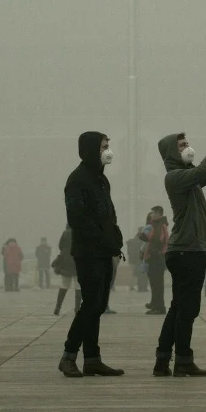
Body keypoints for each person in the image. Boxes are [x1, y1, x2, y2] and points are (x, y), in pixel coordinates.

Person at [153, 127, 206, 377]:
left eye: (187, 143)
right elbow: (205, 169)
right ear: (171, 153)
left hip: (187, 251)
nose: (187, 147)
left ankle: (163, 360)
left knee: (178, 307)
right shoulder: (176, 177)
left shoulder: (189, 177)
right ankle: (184, 361)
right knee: (188, 309)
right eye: (181, 145)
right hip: (187, 252)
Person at [58, 131, 124, 378]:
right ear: (89, 150)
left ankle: (93, 359)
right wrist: (102, 239)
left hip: (105, 251)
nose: (108, 151)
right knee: (91, 305)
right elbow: (77, 219)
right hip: (88, 253)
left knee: (98, 306)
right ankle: (68, 356)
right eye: (103, 147)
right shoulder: (77, 180)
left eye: (108, 145)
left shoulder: (101, 180)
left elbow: (109, 214)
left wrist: (114, 239)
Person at [143, 208, 169, 314]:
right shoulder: (156, 225)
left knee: (157, 284)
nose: (152, 215)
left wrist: (158, 252)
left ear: (158, 213)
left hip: (157, 258)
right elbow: (151, 239)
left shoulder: (160, 226)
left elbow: (162, 240)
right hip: (154, 256)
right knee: (154, 283)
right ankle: (155, 306)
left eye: (153, 213)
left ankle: (159, 307)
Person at [53, 226, 81, 316]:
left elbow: (60, 246)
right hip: (78, 261)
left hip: (66, 262)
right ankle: (77, 308)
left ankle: (57, 307)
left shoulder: (65, 233)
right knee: (78, 286)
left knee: (64, 285)